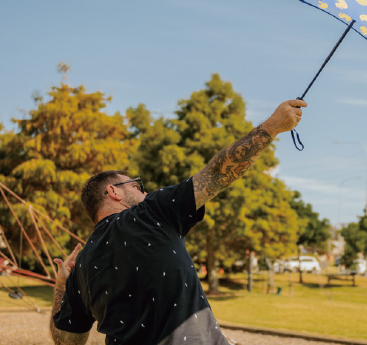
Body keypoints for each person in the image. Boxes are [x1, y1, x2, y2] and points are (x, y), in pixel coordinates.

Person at [50, 99, 307, 345]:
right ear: (114, 192)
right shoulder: (150, 212)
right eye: (137, 186)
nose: (145, 192)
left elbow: (67, 341)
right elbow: (217, 174)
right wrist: (273, 126)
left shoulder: (82, 267)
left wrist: (61, 286)